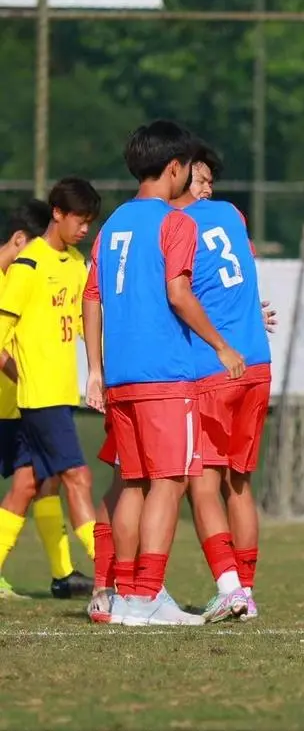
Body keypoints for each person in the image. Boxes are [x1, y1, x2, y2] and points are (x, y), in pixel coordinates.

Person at [84, 119, 246, 627]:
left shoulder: (112, 225)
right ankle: (146, 594)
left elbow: (91, 297)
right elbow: (179, 293)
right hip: (164, 376)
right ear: (175, 168)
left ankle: (126, 594)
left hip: (121, 377)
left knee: (132, 483)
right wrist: (220, 345)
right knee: (169, 481)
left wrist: (95, 370)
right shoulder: (176, 224)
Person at [173, 147, 270, 622]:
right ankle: (246, 591)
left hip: (214, 367)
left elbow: (177, 294)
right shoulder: (233, 214)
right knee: (240, 484)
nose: (207, 187)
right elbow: (237, 276)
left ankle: (231, 588)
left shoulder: (174, 224)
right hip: (257, 363)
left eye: (209, 180)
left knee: (203, 484)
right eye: (202, 179)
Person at [0, 188, 99, 600]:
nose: (84, 229)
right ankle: (116, 576)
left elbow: (84, 323)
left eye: (89, 222)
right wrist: (26, 376)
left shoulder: (75, 264)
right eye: (79, 219)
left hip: (51, 396)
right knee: (76, 477)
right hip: (30, 398)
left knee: (31, 483)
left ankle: (66, 574)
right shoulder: (26, 267)